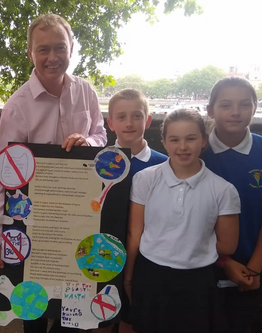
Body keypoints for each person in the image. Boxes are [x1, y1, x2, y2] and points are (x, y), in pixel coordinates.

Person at [0, 13, 107, 333]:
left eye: (59, 48)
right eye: (43, 50)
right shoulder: (17, 105)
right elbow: (4, 174)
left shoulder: (86, 92)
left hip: (79, 218)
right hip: (35, 222)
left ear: (71, 49)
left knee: (76, 310)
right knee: (35, 312)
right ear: (30, 53)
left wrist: (90, 141)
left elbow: (101, 136)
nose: (52, 57)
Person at [125, 109, 241, 333]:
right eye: (175, 140)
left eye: (191, 139)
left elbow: (228, 245)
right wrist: (128, 278)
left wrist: (187, 244)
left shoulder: (224, 189)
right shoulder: (144, 179)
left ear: (204, 141)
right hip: (150, 277)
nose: (183, 147)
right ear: (164, 142)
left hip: (197, 283)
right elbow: (134, 235)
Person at [201, 77, 262, 333]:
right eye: (225, 105)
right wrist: (224, 261)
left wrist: (254, 269)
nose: (235, 112)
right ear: (210, 110)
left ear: (255, 107)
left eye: (244, 104)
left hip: (257, 269)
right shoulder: (196, 153)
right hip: (203, 267)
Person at [97, 88, 167, 333]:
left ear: (148, 120)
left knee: (132, 318)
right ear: (110, 123)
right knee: (100, 316)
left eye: (137, 116)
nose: (129, 123)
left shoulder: (164, 164)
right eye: (122, 117)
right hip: (103, 254)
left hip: (145, 258)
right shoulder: (97, 162)